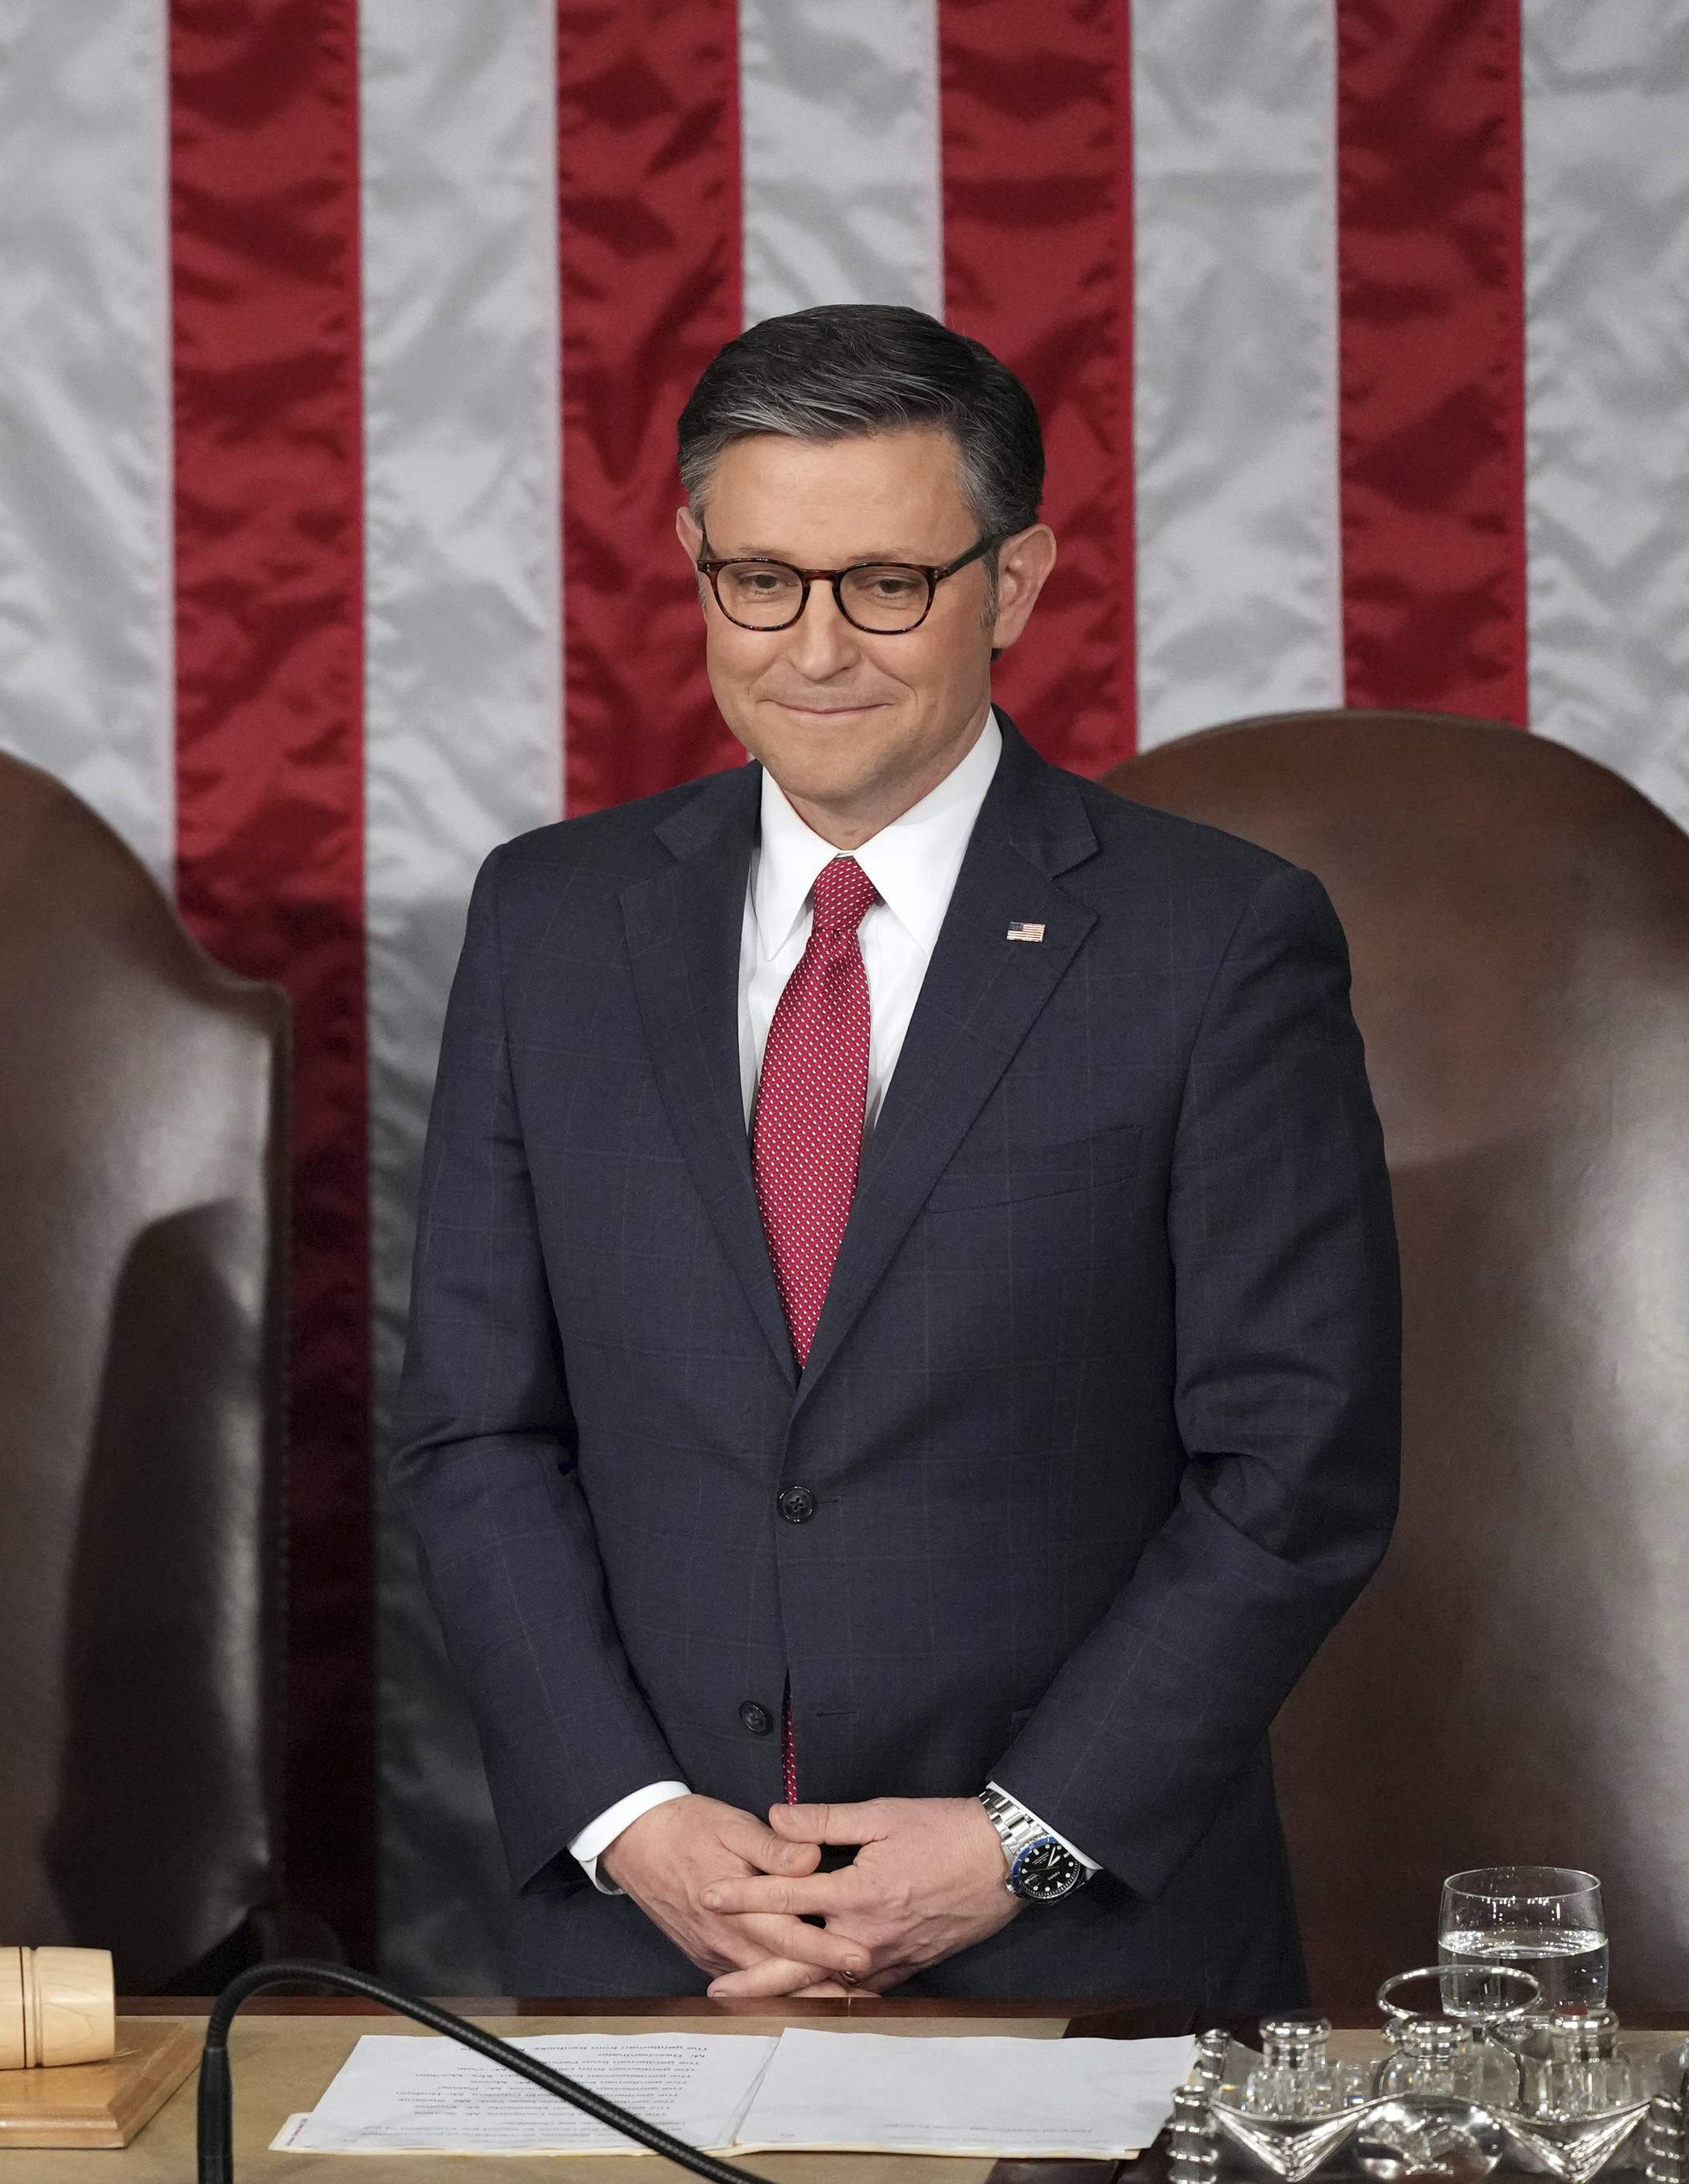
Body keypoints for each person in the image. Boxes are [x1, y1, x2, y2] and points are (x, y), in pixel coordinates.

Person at [392, 303, 1399, 2009]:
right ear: (697, 565)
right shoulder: (550, 919)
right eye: (762, 578)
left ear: (1009, 584)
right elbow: (478, 1427)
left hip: (1080, 1940)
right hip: (654, 1938)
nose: (815, 645)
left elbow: (1294, 1465)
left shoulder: (1212, 939)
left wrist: (1019, 1838)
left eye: (887, 581)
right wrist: (635, 1819)